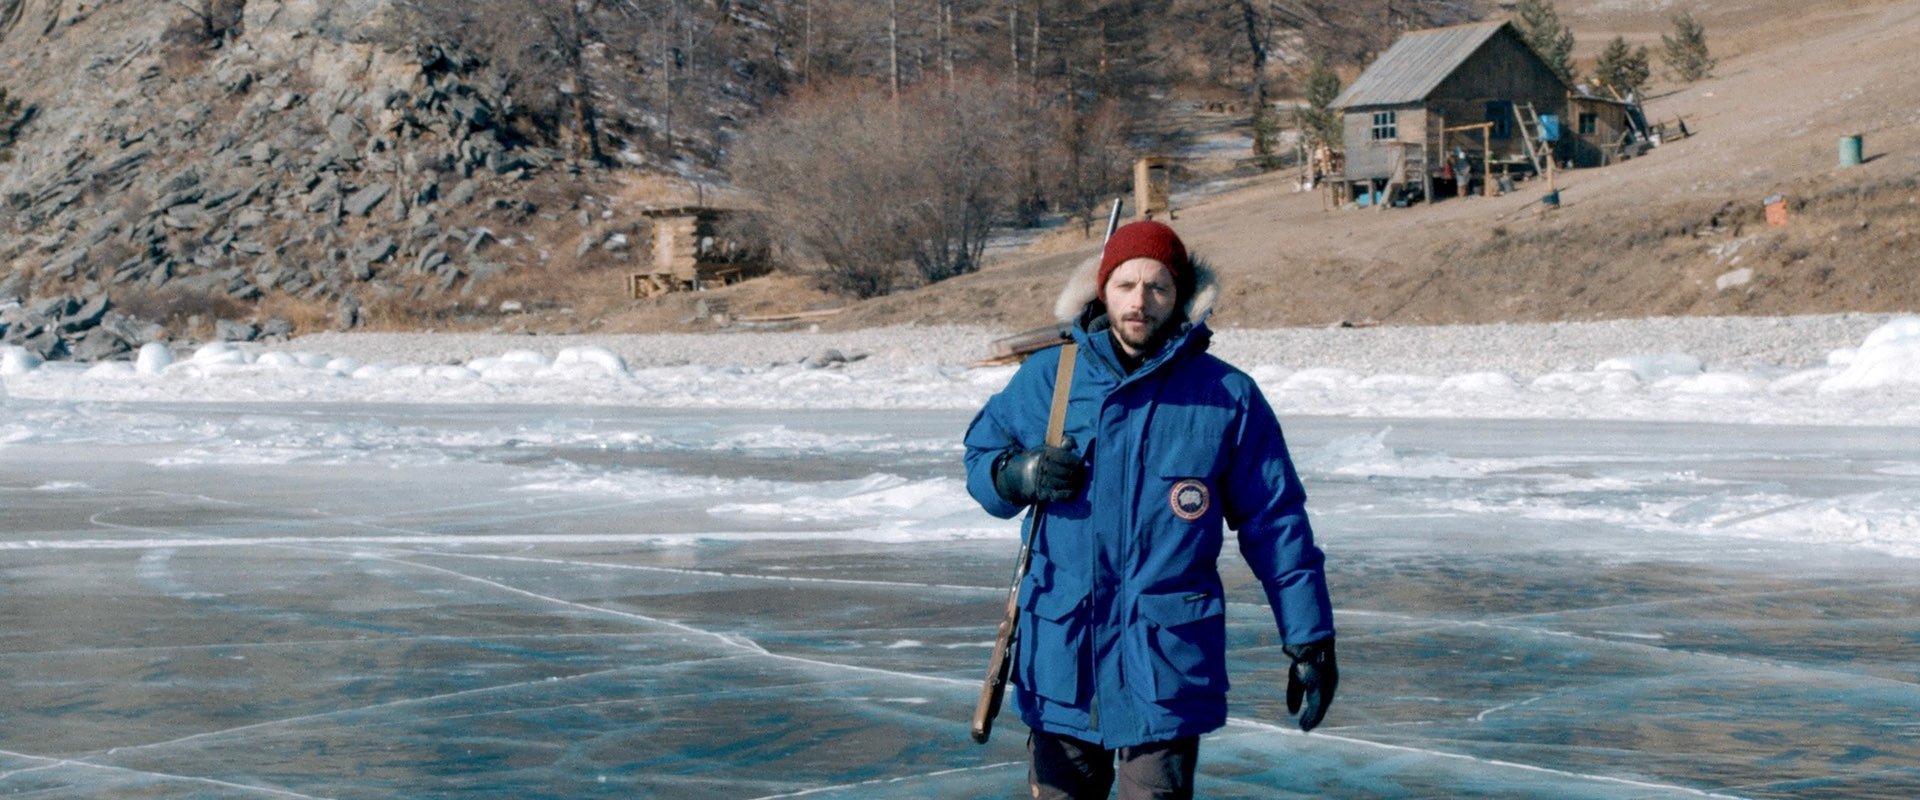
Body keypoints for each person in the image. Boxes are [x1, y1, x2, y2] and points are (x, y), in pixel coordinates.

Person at [963, 221, 1337, 799]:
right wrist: (1018, 474)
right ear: (1102, 290)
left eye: (1158, 287)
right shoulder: (1049, 378)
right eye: (1126, 285)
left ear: (1181, 295)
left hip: (1163, 664)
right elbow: (981, 458)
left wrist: (1309, 638)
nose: (1140, 301)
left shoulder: (1225, 395)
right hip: (1064, 658)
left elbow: (1276, 521)